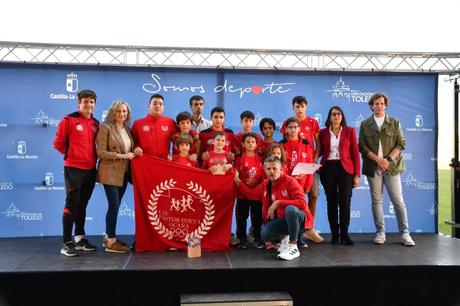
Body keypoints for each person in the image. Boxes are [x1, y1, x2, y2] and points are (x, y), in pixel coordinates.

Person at [358, 92, 415, 246]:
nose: (379, 106)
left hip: (392, 168)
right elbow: (361, 146)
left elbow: (401, 143)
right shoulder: (365, 124)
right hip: (373, 167)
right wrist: (378, 160)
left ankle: (405, 233)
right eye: (376, 103)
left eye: (382, 103)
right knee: (376, 201)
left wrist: (387, 160)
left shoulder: (395, 123)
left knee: (398, 200)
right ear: (372, 105)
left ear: (386, 105)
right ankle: (380, 232)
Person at [234, 156, 314, 260]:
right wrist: (237, 181)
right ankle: (285, 240)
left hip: (301, 220)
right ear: (264, 169)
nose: (272, 171)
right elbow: (250, 194)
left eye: (275, 168)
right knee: (265, 234)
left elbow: (303, 203)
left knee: (290, 209)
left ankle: (293, 246)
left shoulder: (290, 181)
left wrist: (278, 202)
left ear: (281, 169)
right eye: (268, 169)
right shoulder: (265, 184)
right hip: (283, 221)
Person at [53, 89, 99, 257]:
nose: (89, 105)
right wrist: (73, 156)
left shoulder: (95, 123)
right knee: (72, 203)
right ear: (79, 103)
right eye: (85, 101)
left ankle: (79, 239)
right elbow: (58, 144)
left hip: (90, 169)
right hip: (73, 169)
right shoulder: (69, 120)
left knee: (83, 204)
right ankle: (66, 242)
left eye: (92, 102)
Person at [280, 96, 322, 242]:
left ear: (306, 107)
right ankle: (290, 232)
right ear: (293, 108)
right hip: (291, 171)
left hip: (308, 165)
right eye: (297, 106)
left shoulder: (313, 122)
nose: (300, 109)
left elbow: (318, 144)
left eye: (302, 106)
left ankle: (309, 228)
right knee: (292, 199)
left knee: (313, 194)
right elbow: (285, 150)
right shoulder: (288, 123)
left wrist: (313, 161)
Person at [316, 106, 360, 245]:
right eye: (333, 114)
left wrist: (356, 175)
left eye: (338, 114)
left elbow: (355, 154)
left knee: (345, 202)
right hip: (328, 168)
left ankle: (345, 234)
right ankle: (335, 235)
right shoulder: (322, 133)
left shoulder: (350, 131)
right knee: (331, 202)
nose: (336, 116)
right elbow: (318, 150)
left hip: (345, 169)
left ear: (342, 117)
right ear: (329, 117)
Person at [96, 100, 135, 253]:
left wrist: (136, 149)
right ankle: (111, 241)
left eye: (124, 111)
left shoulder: (127, 128)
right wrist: (123, 156)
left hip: (123, 174)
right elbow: (101, 153)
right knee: (113, 206)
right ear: (113, 112)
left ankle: (109, 237)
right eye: (118, 111)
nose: (122, 114)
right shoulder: (105, 127)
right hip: (110, 172)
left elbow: (131, 147)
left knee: (116, 206)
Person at [234, 133, 264, 249]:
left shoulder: (260, 159)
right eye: (248, 142)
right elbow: (236, 177)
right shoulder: (239, 159)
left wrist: (256, 191)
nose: (250, 144)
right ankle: (241, 239)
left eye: (253, 142)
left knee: (257, 218)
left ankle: (257, 238)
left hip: (256, 195)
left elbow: (263, 178)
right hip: (242, 194)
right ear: (243, 144)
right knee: (241, 217)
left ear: (256, 145)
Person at [131, 94, 177, 158]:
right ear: (148, 106)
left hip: (164, 162)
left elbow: (180, 140)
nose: (158, 106)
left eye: (160, 104)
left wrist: (175, 157)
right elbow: (132, 141)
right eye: (155, 104)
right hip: (144, 162)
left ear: (163, 107)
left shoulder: (170, 122)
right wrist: (135, 148)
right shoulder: (138, 123)